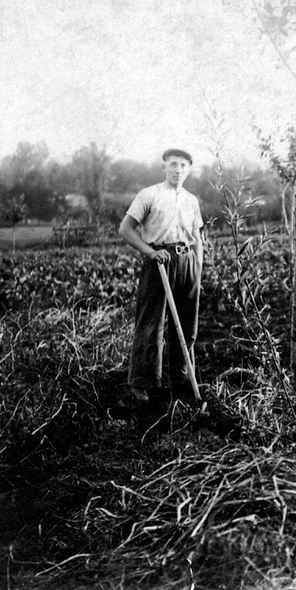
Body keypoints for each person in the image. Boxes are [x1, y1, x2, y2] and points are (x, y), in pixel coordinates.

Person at [118, 148, 204, 404]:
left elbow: (197, 236)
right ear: (164, 167)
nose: (178, 170)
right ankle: (142, 383)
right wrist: (149, 252)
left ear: (188, 170)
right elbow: (126, 229)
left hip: (187, 260)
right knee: (151, 323)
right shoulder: (150, 195)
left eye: (183, 166)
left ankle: (180, 378)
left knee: (187, 324)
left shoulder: (191, 200)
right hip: (160, 261)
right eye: (174, 165)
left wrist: (198, 265)